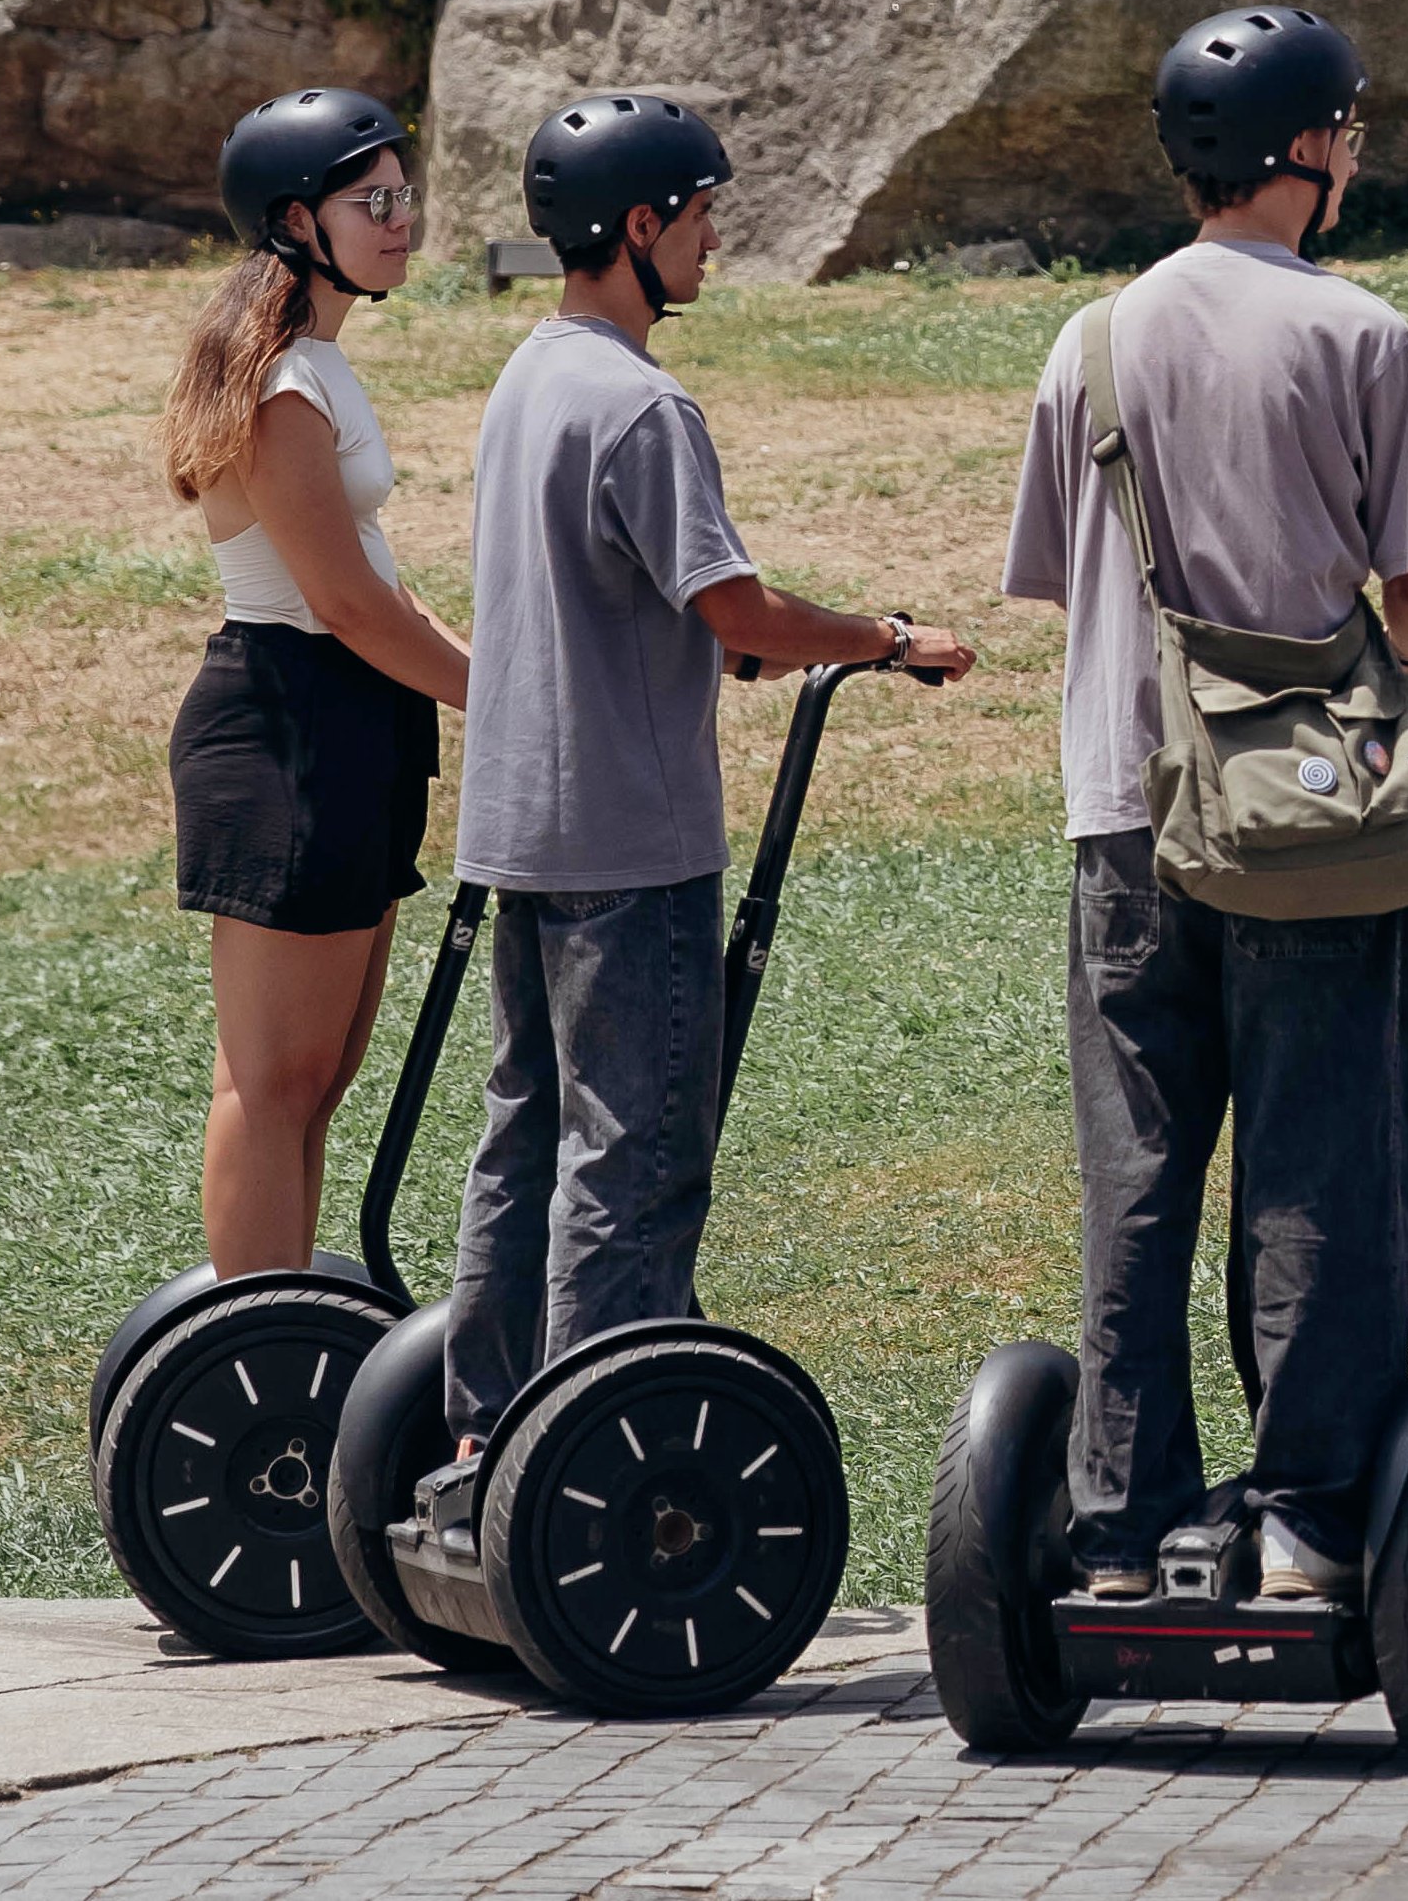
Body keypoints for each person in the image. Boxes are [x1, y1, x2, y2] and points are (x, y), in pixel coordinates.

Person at [435, 93, 974, 1468]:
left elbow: (608, 590)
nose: (714, 238)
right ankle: (594, 1460)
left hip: (522, 833)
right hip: (631, 844)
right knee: (634, 1158)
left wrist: (714, 646)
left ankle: (490, 1440)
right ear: (637, 226)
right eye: (699, 213)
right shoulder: (643, 404)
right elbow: (735, 610)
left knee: (525, 1140)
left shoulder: (528, 380)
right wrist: (887, 640)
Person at [1001, 7, 1408, 1600]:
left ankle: (1121, 1524)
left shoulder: (1092, 340)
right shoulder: (1360, 334)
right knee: (1324, 1161)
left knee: (1138, 1170)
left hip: (1121, 814)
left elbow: (1056, 580)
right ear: (1308, 149)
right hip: (1308, 822)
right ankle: (1310, 1516)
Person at [160, 89, 469, 1276]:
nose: (401, 221)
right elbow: (338, 604)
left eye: (403, 197)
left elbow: (381, 589)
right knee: (271, 1081)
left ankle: (288, 1329)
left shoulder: (320, 364)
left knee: (318, 1077)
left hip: (353, 714)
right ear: (298, 219)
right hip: (289, 716)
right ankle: (252, 1351)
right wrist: (490, 703)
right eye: (371, 202)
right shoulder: (283, 385)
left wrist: (493, 677)